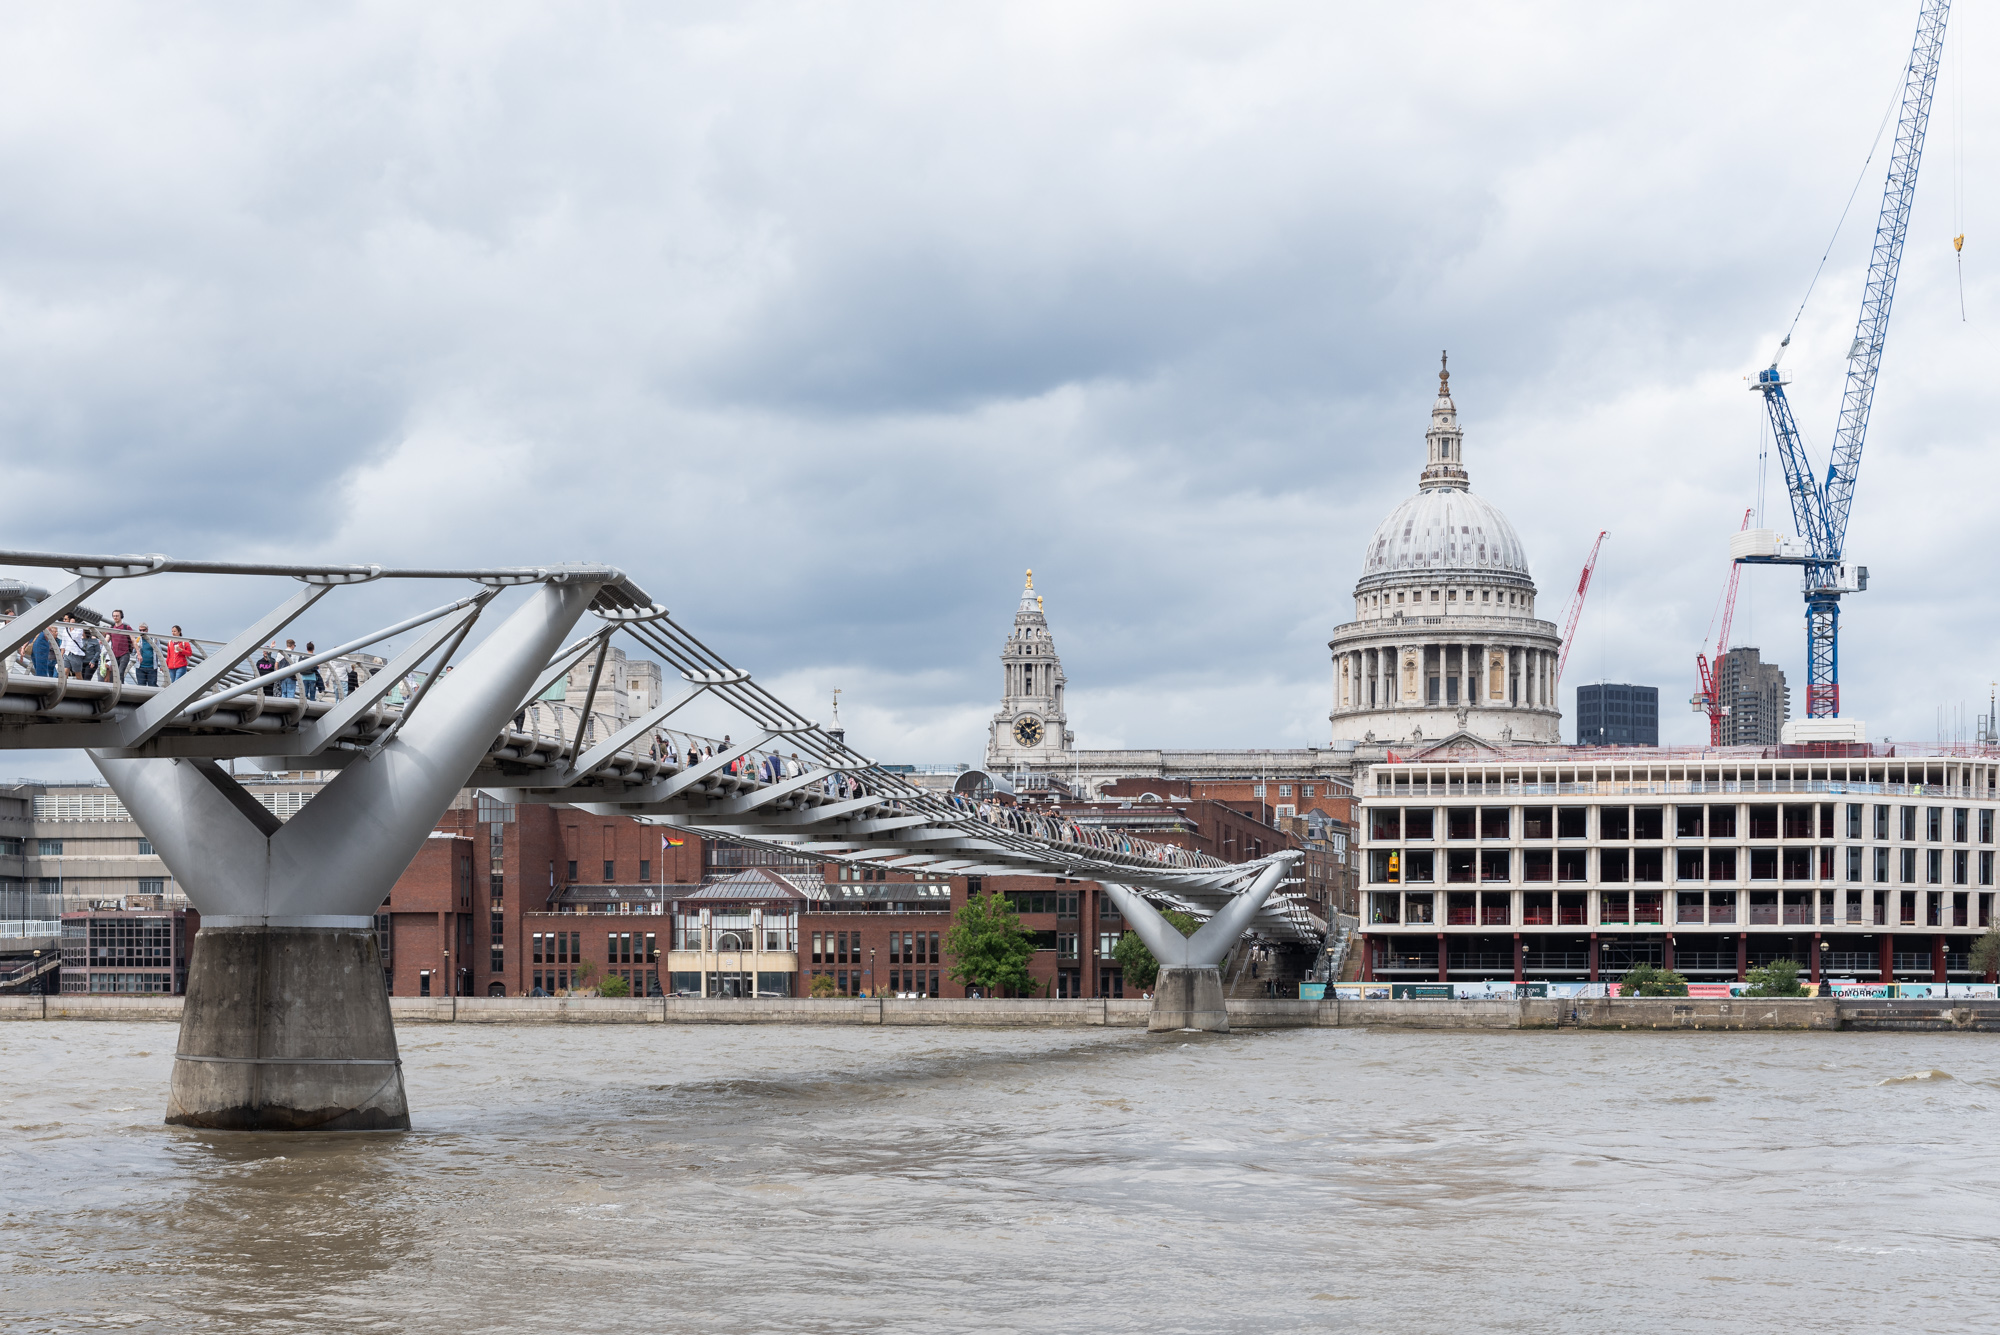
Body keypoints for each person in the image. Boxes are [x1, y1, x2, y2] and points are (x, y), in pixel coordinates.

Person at [106, 611, 134, 682]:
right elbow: (107, 638)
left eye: (117, 616)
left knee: (120, 672)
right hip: (115, 654)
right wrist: (103, 641)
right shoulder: (111, 628)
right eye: (114, 616)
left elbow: (133, 640)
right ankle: (115, 689)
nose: (115, 617)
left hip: (125, 653)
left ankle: (121, 688)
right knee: (114, 673)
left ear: (121, 616)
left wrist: (138, 654)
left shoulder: (126, 627)